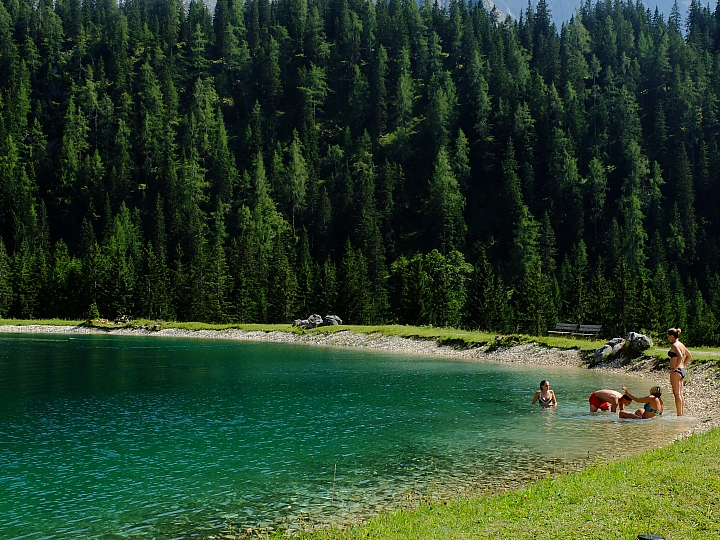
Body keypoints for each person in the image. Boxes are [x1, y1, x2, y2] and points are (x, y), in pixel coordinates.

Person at [667, 328, 691, 416]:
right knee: (680, 393)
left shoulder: (675, 345)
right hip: (682, 370)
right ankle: (681, 413)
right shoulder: (681, 344)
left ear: (672, 336)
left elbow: (680, 356)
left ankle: (679, 415)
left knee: (676, 394)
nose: (668, 338)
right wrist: (683, 365)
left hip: (676, 371)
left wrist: (675, 368)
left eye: (668, 336)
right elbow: (689, 355)